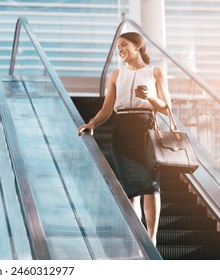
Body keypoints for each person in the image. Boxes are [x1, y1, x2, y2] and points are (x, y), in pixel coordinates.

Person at [77, 32, 171, 246]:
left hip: (146, 131)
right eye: (118, 46)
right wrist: (92, 123)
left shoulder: (155, 72)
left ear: (137, 46)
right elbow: (107, 109)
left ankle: (151, 237)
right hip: (121, 133)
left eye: (124, 45)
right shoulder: (116, 75)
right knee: (130, 188)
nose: (120, 49)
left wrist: (151, 97)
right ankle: (135, 235)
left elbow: (167, 108)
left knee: (150, 185)